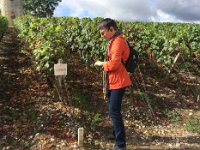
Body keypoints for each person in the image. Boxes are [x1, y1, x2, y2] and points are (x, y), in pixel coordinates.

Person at [94, 18, 131, 150]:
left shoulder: (118, 42)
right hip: (113, 80)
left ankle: (121, 144)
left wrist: (102, 64)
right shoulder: (113, 41)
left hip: (119, 81)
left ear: (112, 29)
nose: (101, 36)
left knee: (114, 111)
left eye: (103, 33)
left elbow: (114, 64)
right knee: (112, 109)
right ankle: (116, 134)